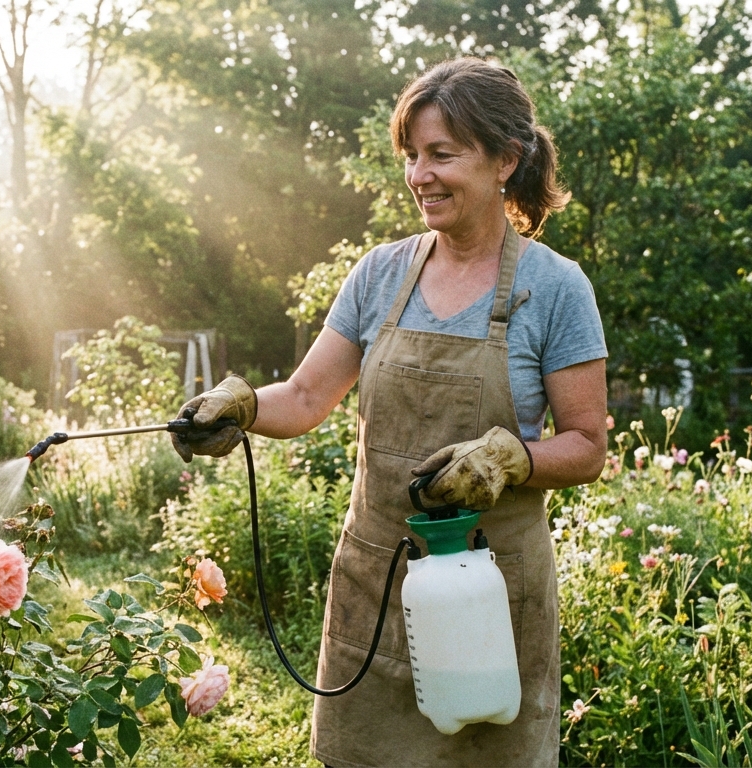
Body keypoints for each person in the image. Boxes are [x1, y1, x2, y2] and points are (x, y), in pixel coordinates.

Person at [170, 57, 607, 767]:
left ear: (506, 160)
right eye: (411, 155)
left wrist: (511, 458)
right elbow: (309, 396)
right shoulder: (379, 274)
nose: (419, 175)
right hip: (380, 587)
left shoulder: (555, 289)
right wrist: (243, 405)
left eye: (442, 154)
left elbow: (587, 445)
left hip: (488, 598)